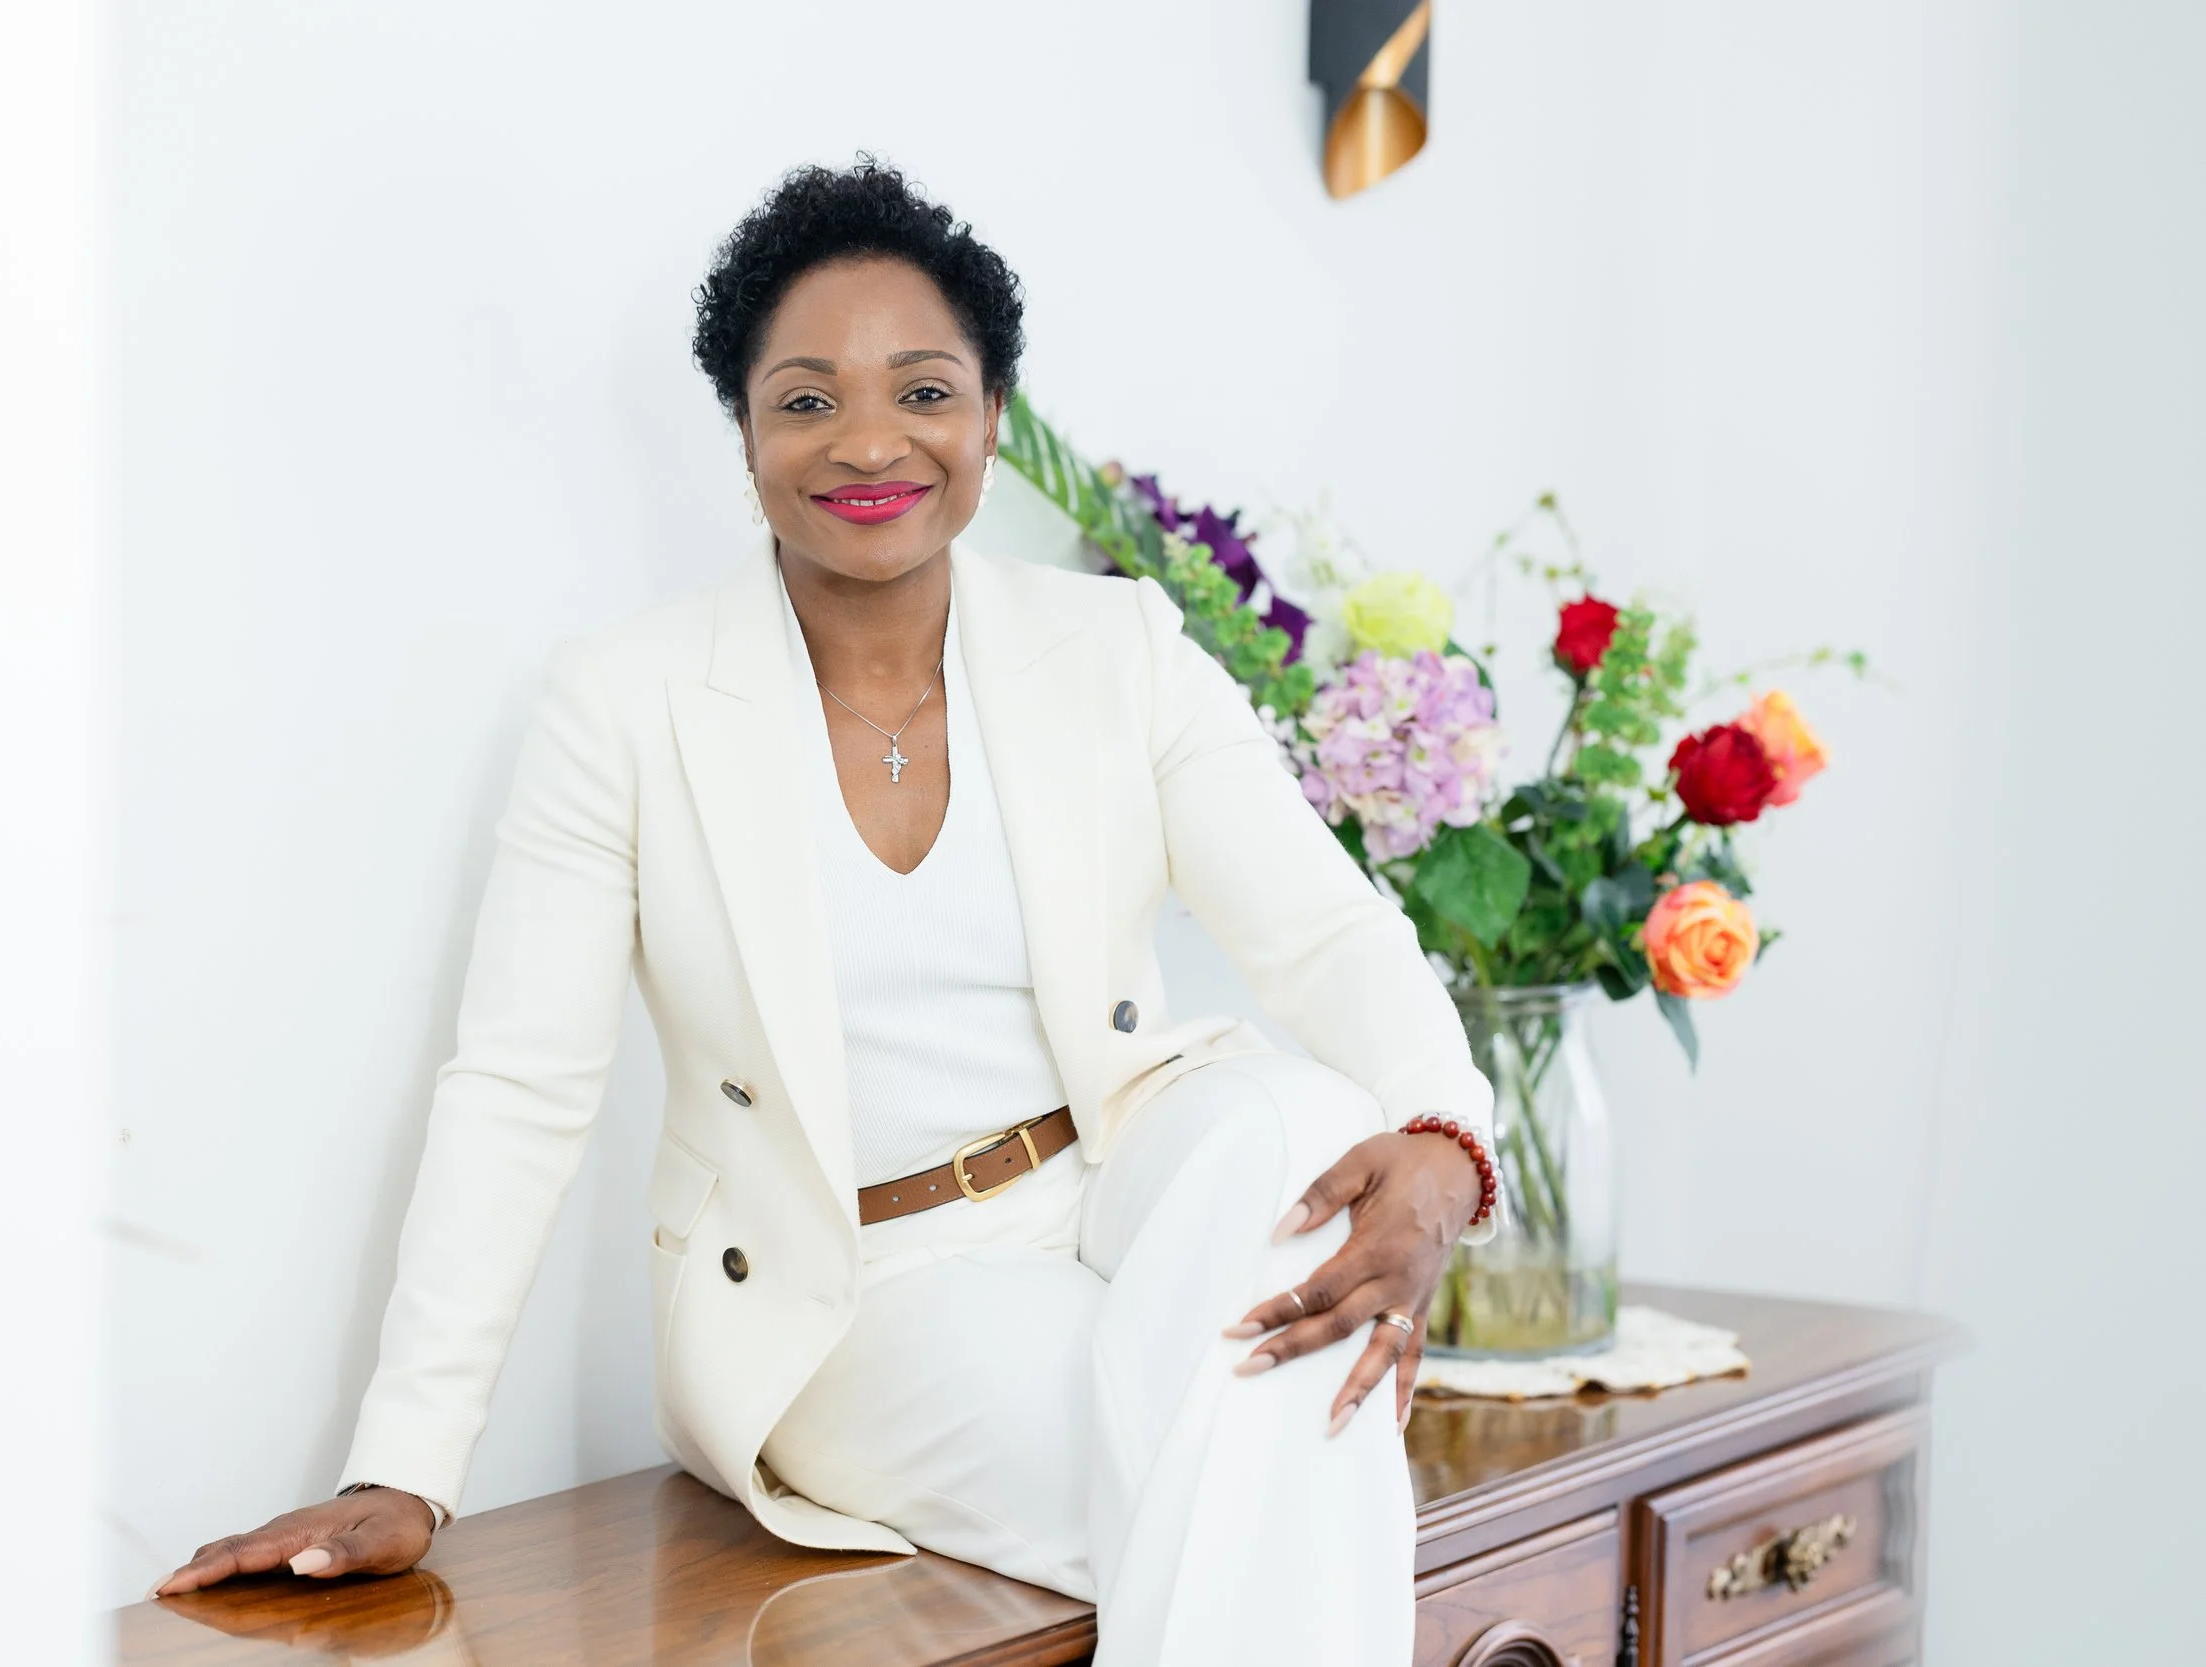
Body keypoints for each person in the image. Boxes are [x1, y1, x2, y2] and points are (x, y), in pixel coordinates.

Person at [156, 156, 1500, 1664]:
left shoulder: (1114, 639)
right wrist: (405, 1460)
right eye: (806, 400)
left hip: (1120, 1177)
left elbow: (1325, 934)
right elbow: (520, 1088)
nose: (870, 439)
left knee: (1304, 1118)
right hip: (859, 1288)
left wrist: (1446, 1146)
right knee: (1263, 1446)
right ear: (742, 439)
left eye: (924, 390)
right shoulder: (625, 704)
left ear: (994, 416)